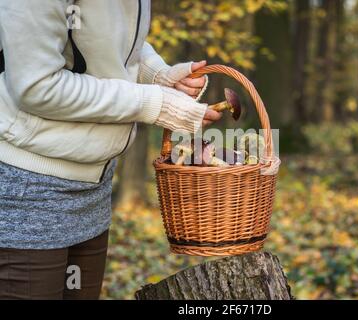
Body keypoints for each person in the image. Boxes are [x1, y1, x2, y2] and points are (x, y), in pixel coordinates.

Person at [0, 0, 221, 299]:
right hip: (27, 191)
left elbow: (104, 39)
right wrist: (152, 103)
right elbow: (37, 86)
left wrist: (155, 73)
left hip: (93, 190)